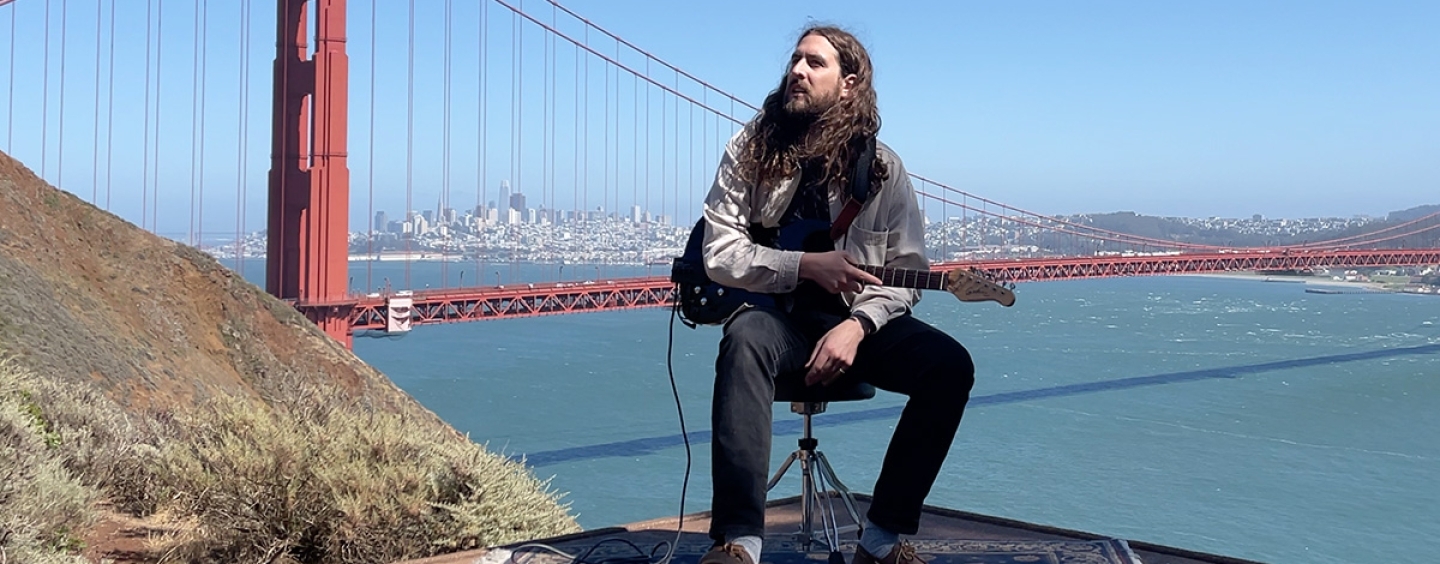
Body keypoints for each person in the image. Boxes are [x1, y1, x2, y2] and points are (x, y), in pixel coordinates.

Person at [698, 25, 976, 564]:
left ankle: (881, 539)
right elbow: (719, 253)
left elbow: (907, 271)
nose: (797, 70)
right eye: (795, 60)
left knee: (950, 366)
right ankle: (738, 543)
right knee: (744, 339)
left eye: (814, 63)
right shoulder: (749, 149)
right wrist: (801, 265)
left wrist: (860, 325)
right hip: (773, 320)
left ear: (848, 85)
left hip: (852, 323)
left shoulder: (884, 170)